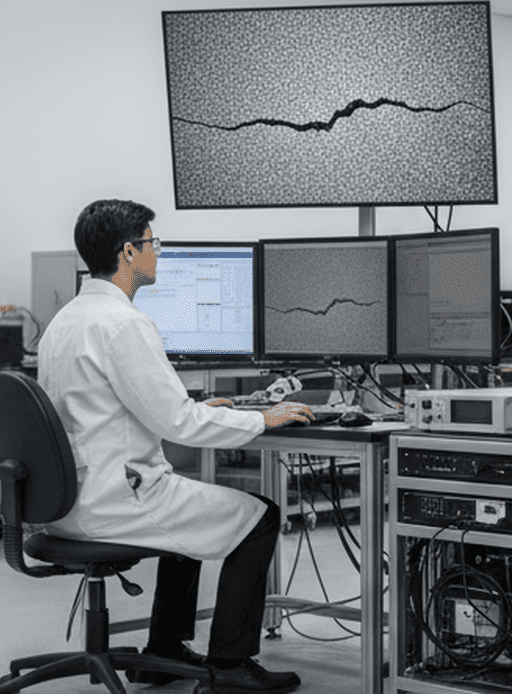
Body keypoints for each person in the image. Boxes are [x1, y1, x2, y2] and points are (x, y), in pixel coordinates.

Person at [36, 199, 313, 694]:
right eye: (152, 242)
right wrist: (262, 417)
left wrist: (211, 406)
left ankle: (161, 651)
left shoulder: (67, 321)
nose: (157, 252)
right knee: (260, 515)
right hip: (116, 500)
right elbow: (179, 423)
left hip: (67, 502)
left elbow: (122, 403)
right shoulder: (123, 324)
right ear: (128, 252)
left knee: (191, 506)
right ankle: (230, 663)